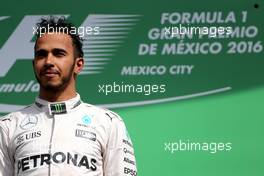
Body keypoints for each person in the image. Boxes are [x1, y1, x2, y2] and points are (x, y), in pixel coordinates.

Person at [0, 16, 137, 176]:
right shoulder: (8, 126)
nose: (48, 61)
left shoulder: (109, 123)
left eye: (59, 54)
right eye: (41, 55)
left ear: (78, 65)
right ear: (34, 64)